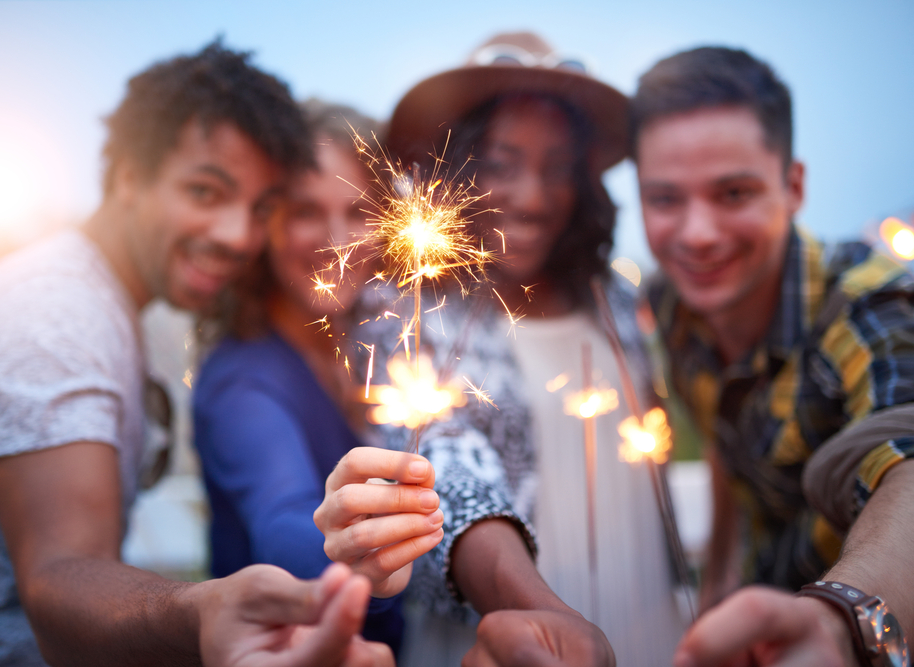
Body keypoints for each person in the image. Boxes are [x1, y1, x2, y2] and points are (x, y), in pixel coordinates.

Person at [0, 42, 392, 667]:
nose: (237, 236)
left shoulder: (99, 300)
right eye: (205, 191)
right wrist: (200, 610)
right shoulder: (51, 314)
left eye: (259, 209)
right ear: (129, 177)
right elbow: (61, 571)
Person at [316, 32, 682, 667]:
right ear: (454, 170)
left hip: (648, 616)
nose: (533, 197)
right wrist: (544, 614)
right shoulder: (401, 306)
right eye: (501, 164)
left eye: (558, 166)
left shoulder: (614, 303)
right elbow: (443, 469)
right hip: (506, 636)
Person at [629, 47, 914, 665]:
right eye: (665, 199)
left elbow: (908, 459)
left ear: (794, 186)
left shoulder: (868, 307)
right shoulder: (673, 308)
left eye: (733, 192)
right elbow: (728, 453)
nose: (697, 233)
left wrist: (841, 622)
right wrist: (715, 593)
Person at [193, 100, 408, 657]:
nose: (336, 239)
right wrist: (367, 563)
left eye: (358, 212)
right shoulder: (242, 382)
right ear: (267, 223)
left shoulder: (370, 346)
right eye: (307, 210)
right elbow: (282, 520)